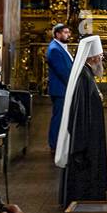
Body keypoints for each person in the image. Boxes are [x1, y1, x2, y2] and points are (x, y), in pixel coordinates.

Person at [54, 35, 107, 207]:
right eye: (100, 55)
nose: (102, 58)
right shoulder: (83, 78)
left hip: (90, 134)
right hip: (85, 138)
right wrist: (80, 146)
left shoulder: (87, 74)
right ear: (92, 57)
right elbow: (79, 113)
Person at [45, 24, 74, 153]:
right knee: (59, 116)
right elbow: (62, 71)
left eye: (68, 32)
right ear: (57, 34)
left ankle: (59, 142)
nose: (68, 35)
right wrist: (72, 84)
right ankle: (54, 144)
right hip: (60, 89)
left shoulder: (60, 47)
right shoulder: (55, 49)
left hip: (63, 88)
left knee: (62, 116)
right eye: (65, 32)